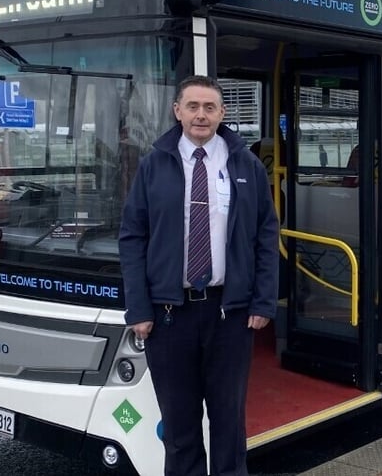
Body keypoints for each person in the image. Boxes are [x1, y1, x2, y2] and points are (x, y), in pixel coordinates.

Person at [119, 75, 279, 476]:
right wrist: (138, 308)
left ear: (223, 113)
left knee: (228, 422)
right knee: (179, 427)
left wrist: (263, 301)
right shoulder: (154, 165)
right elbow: (132, 237)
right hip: (169, 318)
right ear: (178, 111)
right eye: (193, 106)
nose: (201, 115)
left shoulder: (246, 165)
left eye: (210, 107)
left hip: (230, 315)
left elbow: (265, 233)